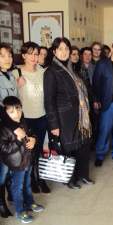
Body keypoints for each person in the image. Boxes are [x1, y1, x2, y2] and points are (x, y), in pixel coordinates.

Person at [44, 37, 93, 189]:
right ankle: (70, 179)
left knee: (83, 146)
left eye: (66, 49)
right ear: (54, 51)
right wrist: (54, 125)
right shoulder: (51, 72)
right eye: (60, 49)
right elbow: (49, 101)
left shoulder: (72, 68)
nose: (64, 52)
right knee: (69, 148)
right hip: (64, 117)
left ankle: (83, 175)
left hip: (80, 115)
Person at [12, 42, 51, 194]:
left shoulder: (43, 71)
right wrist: (16, 85)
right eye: (30, 54)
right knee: (27, 152)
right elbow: (10, 99)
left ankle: (40, 178)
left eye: (36, 54)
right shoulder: (16, 73)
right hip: (25, 120)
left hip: (41, 116)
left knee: (40, 150)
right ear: (23, 55)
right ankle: (30, 181)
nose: (34, 57)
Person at [0, 96, 44, 223]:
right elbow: (4, 149)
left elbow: (31, 133)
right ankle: (20, 211)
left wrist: (34, 139)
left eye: (18, 109)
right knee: (17, 187)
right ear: (5, 113)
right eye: (12, 111)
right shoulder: (3, 129)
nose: (17, 114)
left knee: (27, 184)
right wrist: (18, 141)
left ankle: (30, 202)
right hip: (16, 164)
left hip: (27, 160)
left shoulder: (23, 123)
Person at [0, 43, 17, 219]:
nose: (8, 58)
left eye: (10, 55)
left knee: (12, 164)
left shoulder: (11, 76)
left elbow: (16, 104)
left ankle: (12, 194)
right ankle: (1, 203)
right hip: (3, 129)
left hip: (12, 129)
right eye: (3, 55)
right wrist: (15, 127)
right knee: (3, 169)